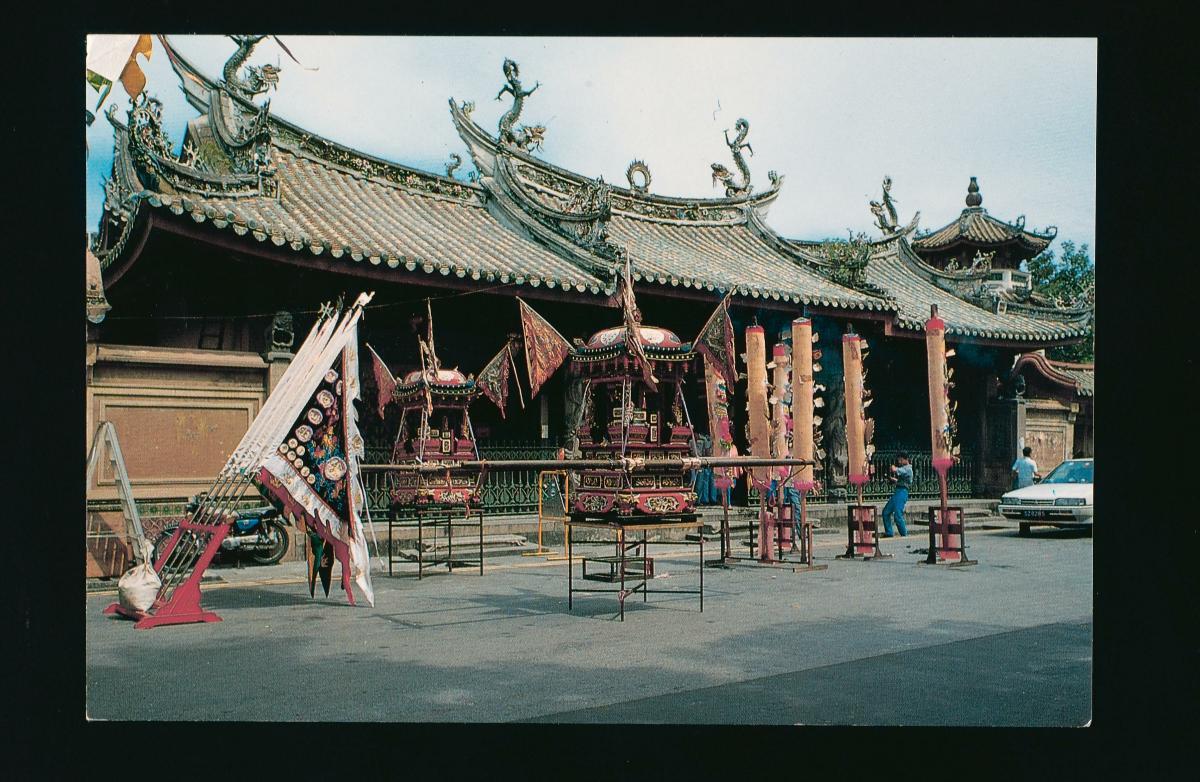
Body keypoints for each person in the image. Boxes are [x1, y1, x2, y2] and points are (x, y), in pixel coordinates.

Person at [881, 453, 912, 537]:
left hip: (902, 492)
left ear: (906, 459)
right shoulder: (904, 469)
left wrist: (893, 468)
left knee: (898, 514)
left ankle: (904, 534)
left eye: (901, 460)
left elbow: (898, 470)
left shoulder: (908, 469)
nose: (899, 462)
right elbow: (900, 480)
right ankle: (889, 532)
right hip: (898, 491)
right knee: (886, 512)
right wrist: (893, 479)